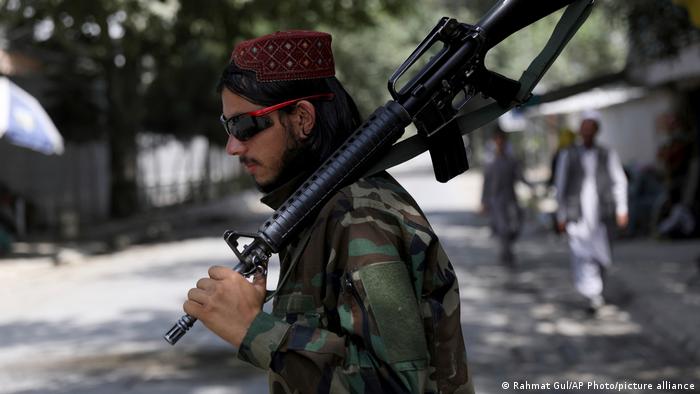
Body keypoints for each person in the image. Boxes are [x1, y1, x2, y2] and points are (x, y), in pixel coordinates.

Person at [182, 31, 474, 393]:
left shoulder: (360, 217)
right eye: (228, 126)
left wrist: (253, 329)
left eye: (245, 125)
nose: (232, 146)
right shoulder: (318, 213)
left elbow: (397, 385)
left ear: (303, 119)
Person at [554, 114, 628, 314]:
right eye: (584, 129)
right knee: (582, 255)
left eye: (590, 129)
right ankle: (593, 295)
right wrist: (560, 216)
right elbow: (560, 187)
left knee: (602, 255)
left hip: (602, 215)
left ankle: (597, 292)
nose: (587, 134)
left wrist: (622, 209)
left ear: (596, 131)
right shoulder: (568, 154)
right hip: (576, 214)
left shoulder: (607, 154)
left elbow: (619, 182)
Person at [481, 128, 530, 268]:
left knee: (515, 225)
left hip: (511, 199)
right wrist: (484, 202)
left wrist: (532, 187)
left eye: (502, 141)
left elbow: (520, 177)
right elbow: (486, 184)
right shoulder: (490, 163)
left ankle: (508, 249)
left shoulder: (512, 161)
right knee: (503, 229)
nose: (499, 144)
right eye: (497, 141)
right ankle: (506, 254)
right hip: (496, 201)